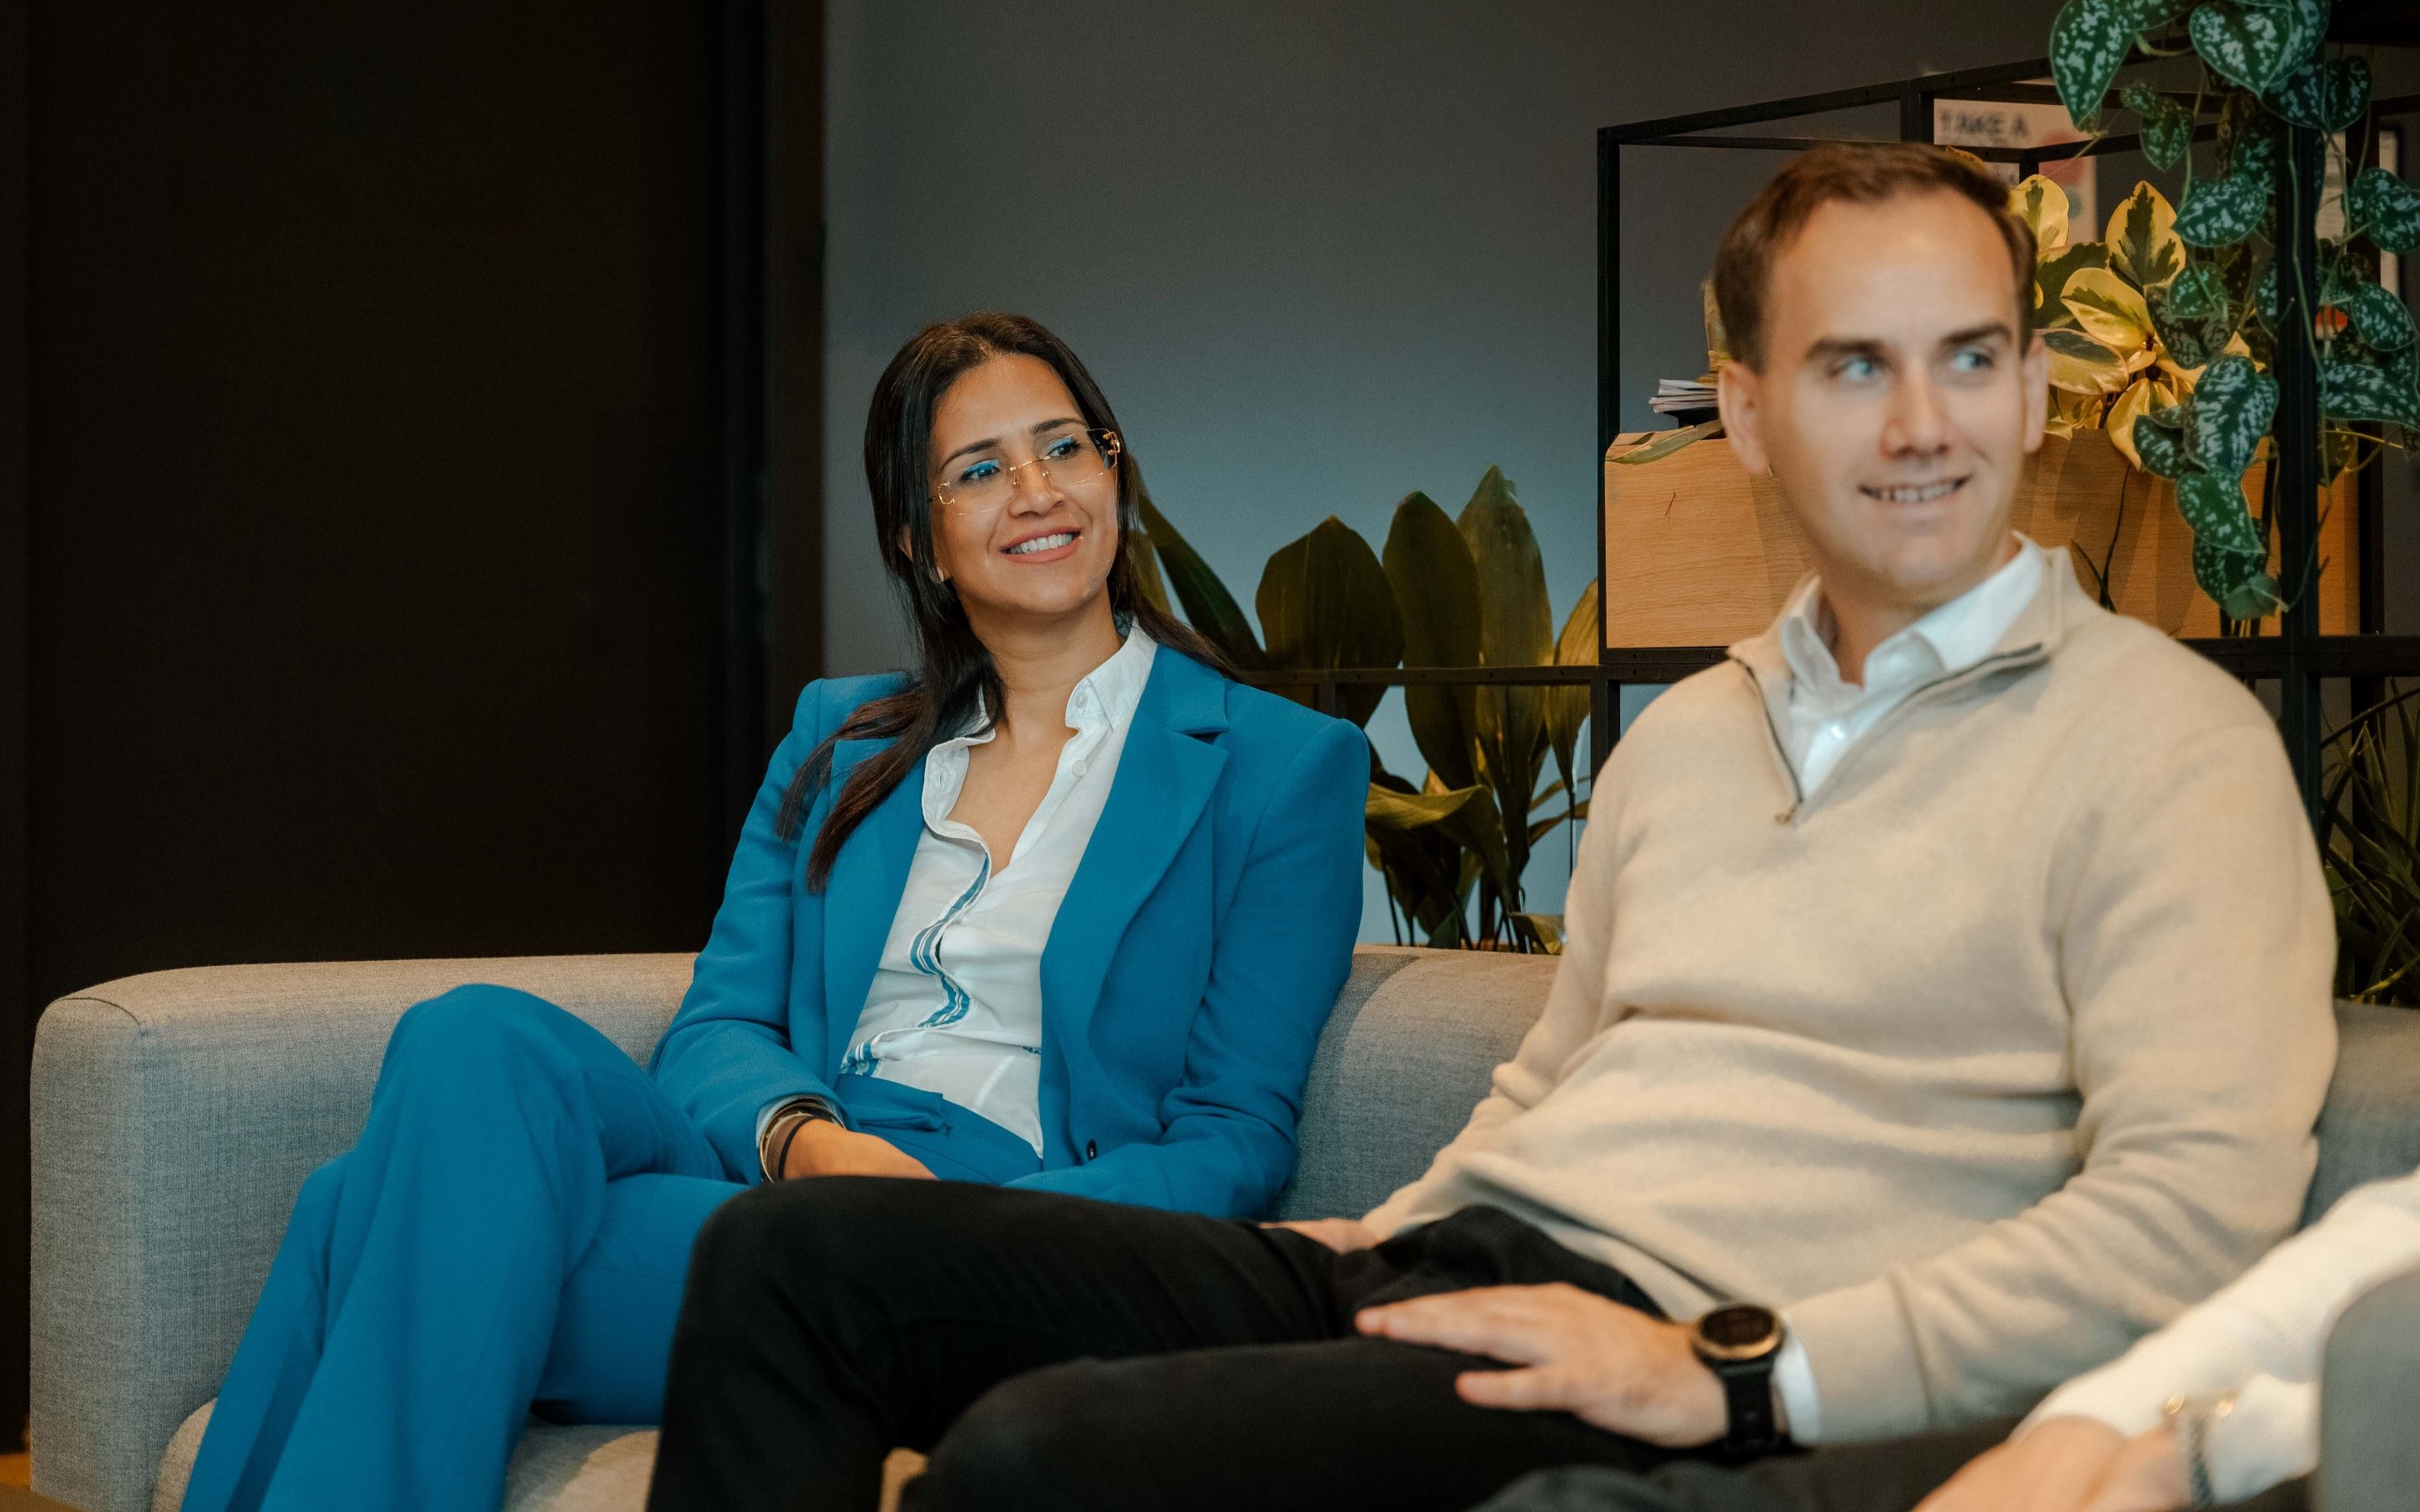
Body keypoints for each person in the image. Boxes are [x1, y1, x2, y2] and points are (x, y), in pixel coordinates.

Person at [642, 144, 2337, 1512]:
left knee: (1034, 1463)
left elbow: (2198, 1209)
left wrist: (1744, 1372)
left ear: (2039, 386)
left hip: (1691, 1342)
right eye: (1851, 367)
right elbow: (1557, 1082)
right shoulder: (1690, 735)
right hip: (1446, 1263)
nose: (1921, 426)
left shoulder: (2164, 742)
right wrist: (1370, 1241)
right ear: (1743, 412)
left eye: (1969, 359)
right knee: (789, 1263)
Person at [177, 311, 1369, 1512]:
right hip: (777, 1176)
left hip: (996, 1226)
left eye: (1065, 447)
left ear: (1116, 473)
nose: (1036, 491)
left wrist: (960, 1236)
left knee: (363, 1208)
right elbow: (719, 1030)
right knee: (468, 1035)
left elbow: (1235, 1136)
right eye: (978, 469)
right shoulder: (840, 738)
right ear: (920, 541)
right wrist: (815, 1146)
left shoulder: (1276, 765)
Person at [1474, 1163, 2420, 1512]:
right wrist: (2092, 1421)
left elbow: (2191, 1194)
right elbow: (2393, 1230)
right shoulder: (1684, 748)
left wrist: (2212, 1451)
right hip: (2172, 1423)